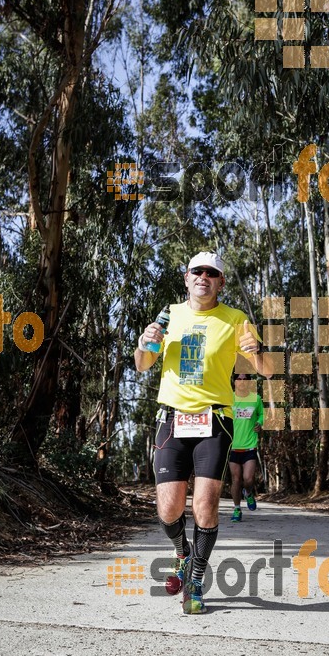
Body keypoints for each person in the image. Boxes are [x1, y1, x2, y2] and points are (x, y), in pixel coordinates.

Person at [134, 251, 272, 614]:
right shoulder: (169, 315)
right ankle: (182, 552)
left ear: (221, 282)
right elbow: (143, 364)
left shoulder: (236, 319)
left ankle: (194, 584)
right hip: (171, 419)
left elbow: (269, 370)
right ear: (186, 277)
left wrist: (256, 352)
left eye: (212, 273)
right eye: (198, 271)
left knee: (205, 505)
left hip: (215, 421)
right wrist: (144, 343)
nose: (204, 277)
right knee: (168, 509)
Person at [230, 374, 264, 522]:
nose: (242, 382)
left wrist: (260, 422)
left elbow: (262, 414)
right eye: (239, 379)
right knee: (236, 479)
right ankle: (237, 509)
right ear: (234, 381)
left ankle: (248, 493)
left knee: (248, 479)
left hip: (250, 445)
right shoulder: (228, 398)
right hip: (232, 446)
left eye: (245, 379)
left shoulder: (255, 399)